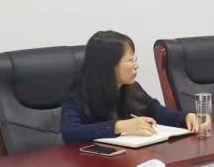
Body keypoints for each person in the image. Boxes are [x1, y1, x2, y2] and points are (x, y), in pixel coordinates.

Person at [60, 31, 197, 143]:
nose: (136, 66)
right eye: (130, 60)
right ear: (109, 65)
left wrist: (185, 117)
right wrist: (118, 126)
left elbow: (160, 113)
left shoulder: (132, 88)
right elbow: (70, 132)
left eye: (134, 59)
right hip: (91, 164)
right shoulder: (79, 94)